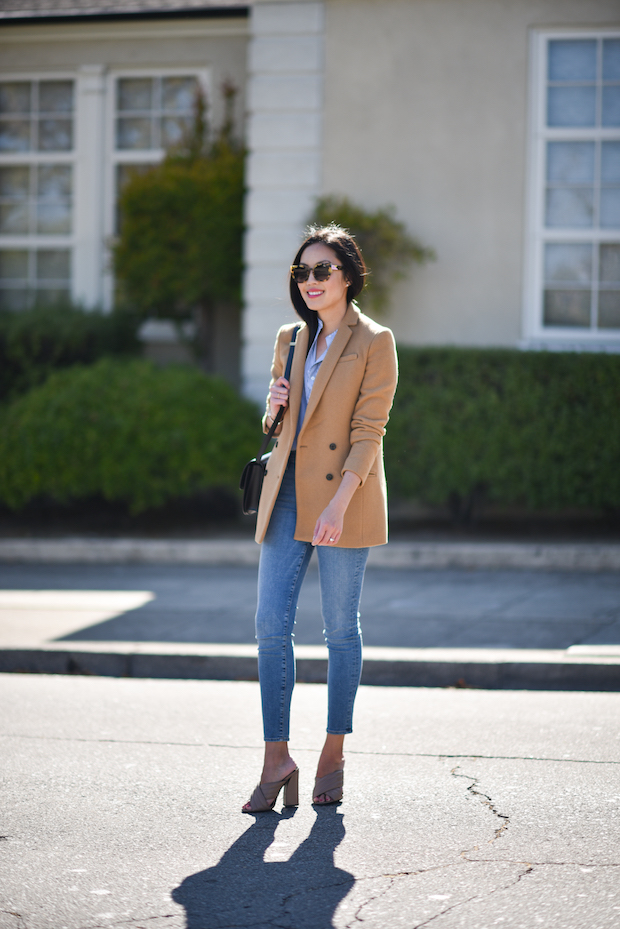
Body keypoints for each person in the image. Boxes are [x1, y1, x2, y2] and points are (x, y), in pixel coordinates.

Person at [242, 224, 398, 813]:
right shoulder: (290, 337)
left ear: (348, 276)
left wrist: (340, 501)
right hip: (287, 496)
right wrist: (272, 408)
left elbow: (368, 432)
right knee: (269, 626)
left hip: (344, 497)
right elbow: (282, 429)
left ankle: (333, 750)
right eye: (302, 272)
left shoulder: (374, 341)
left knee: (339, 629)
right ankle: (276, 756)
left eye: (321, 270)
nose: (310, 281)